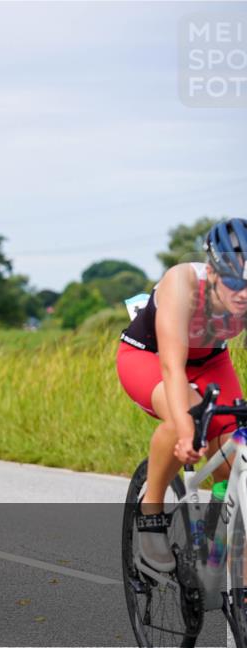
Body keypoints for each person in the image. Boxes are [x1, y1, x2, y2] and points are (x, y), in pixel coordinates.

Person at [118, 218, 247, 572]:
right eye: (234, 282)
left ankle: (225, 553)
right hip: (150, 356)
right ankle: (152, 510)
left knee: (238, 457)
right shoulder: (183, 283)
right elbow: (173, 368)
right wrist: (189, 431)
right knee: (186, 418)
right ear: (214, 273)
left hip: (210, 359)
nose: (244, 294)